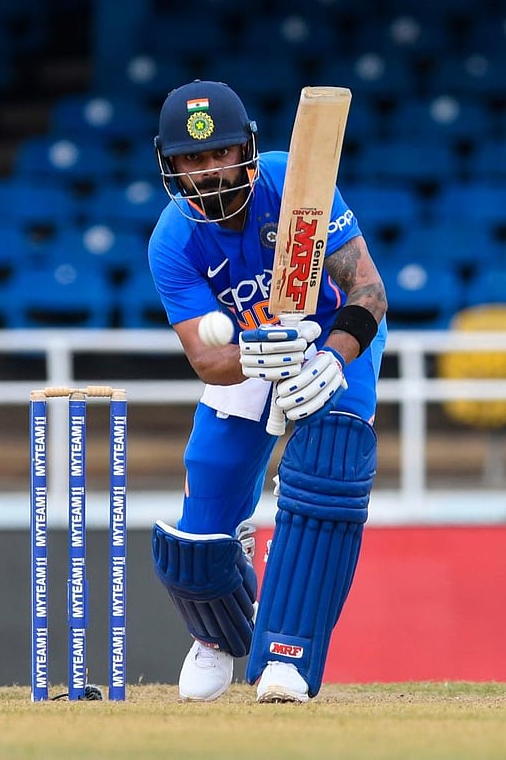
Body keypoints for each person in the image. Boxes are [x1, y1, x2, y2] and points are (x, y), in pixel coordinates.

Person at [147, 80, 388, 703]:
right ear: (171, 166)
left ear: (246, 150)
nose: (209, 171)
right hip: (251, 355)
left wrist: (333, 361)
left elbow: (368, 293)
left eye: (220, 153)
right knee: (201, 523)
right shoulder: (173, 242)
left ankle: (288, 653)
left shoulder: (296, 183)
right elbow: (206, 357)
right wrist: (256, 355)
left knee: (327, 466)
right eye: (192, 159)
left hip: (333, 340)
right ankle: (219, 635)